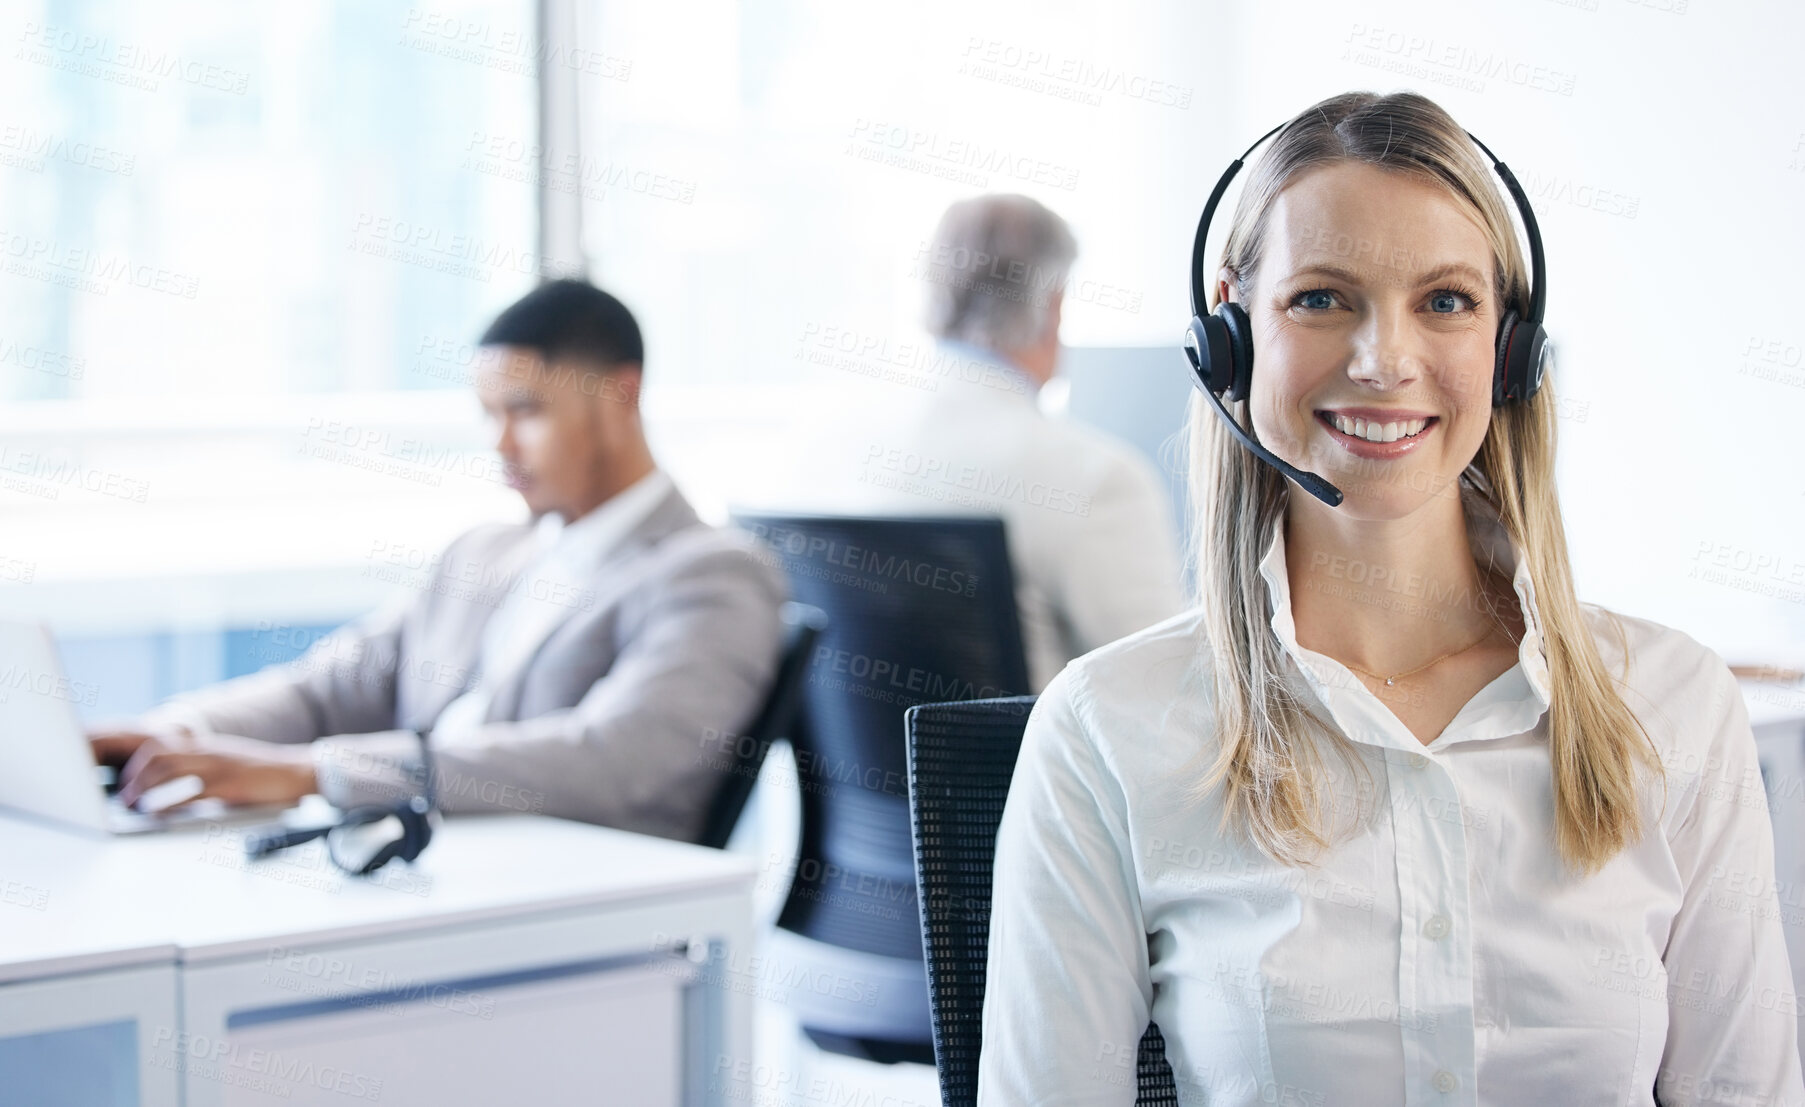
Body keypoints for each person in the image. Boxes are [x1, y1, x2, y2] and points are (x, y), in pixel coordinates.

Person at [978, 91, 1803, 1104]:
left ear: (1508, 348)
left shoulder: (1671, 705)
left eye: (1445, 301)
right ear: (1229, 335)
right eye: (1320, 298)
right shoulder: (1109, 730)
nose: (1383, 361)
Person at [89, 279, 787, 844]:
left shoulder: (711, 573)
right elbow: (326, 689)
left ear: (620, 394)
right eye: (487, 414)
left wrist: (318, 772)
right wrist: (176, 731)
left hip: (564, 904)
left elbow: (613, 759)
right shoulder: (485, 551)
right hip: (414, 866)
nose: (500, 443)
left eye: (525, 410)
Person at [757, 193, 1186, 692]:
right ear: (1053, 307)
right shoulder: (1093, 479)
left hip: (839, 773)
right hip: (1017, 772)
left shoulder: (819, 444)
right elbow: (1171, 692)